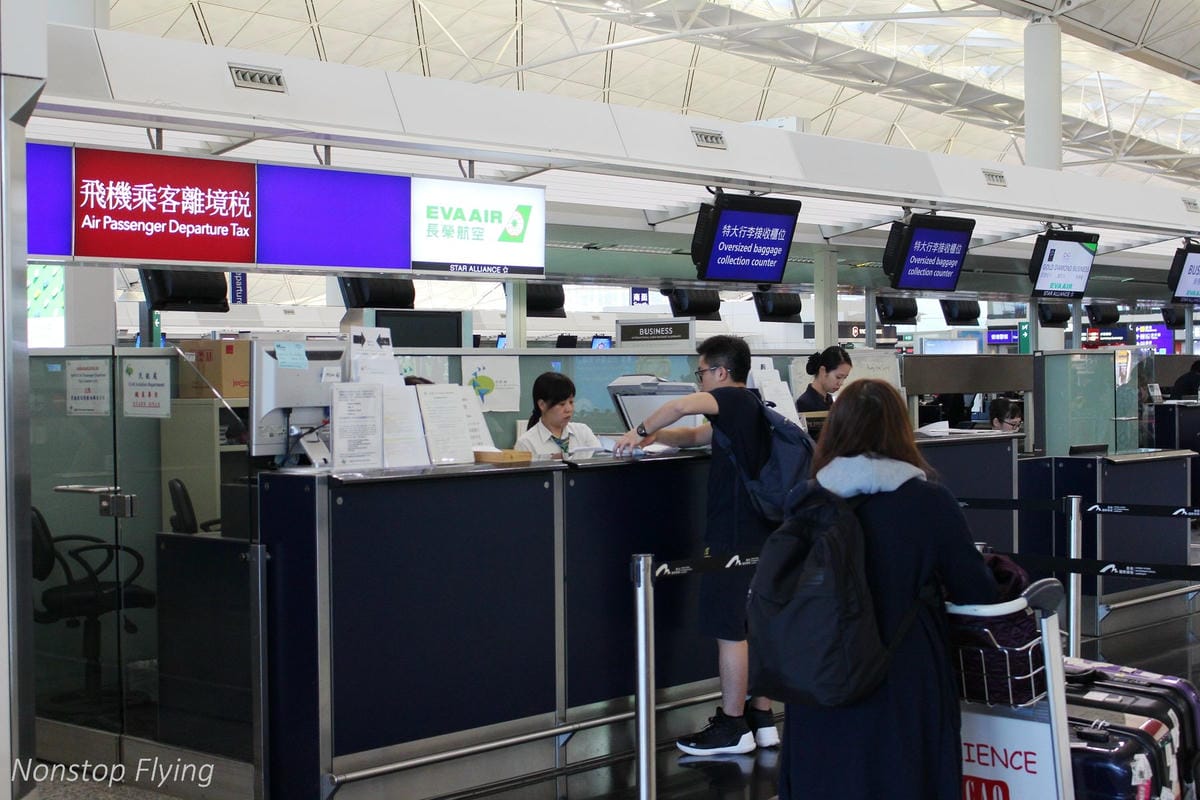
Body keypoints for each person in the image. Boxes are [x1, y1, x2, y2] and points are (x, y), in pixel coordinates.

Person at [778, 378, 997, 800]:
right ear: (901, 429)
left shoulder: (805, 500)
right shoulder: (928, 501)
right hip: (903, 676)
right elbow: (976, 590)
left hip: (819, 676)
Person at [613, 335, 779, 755]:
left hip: (733, 533)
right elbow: (698, 436)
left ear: (722, 372)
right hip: (757, 531)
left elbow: (681, 407)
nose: (699, 381)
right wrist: (660, 441)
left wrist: (639, 430)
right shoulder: (752, 410)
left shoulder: (733, 401)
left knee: (729, 628)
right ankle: (761, 719)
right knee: (750, 624)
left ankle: (732, 725)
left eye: (701, 372)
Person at [513, 372, 601, 458]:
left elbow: (600, 462)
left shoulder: (583, 432)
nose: (569, 409)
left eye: (571, 402)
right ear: (542, 405)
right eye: (562, 404)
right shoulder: (526, 444)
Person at [794, 346, 852, 413]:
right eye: (838, 377)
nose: (841, 383)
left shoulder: (829, 400)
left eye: (844, 378)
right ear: (823, 371)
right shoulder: (804, 403)